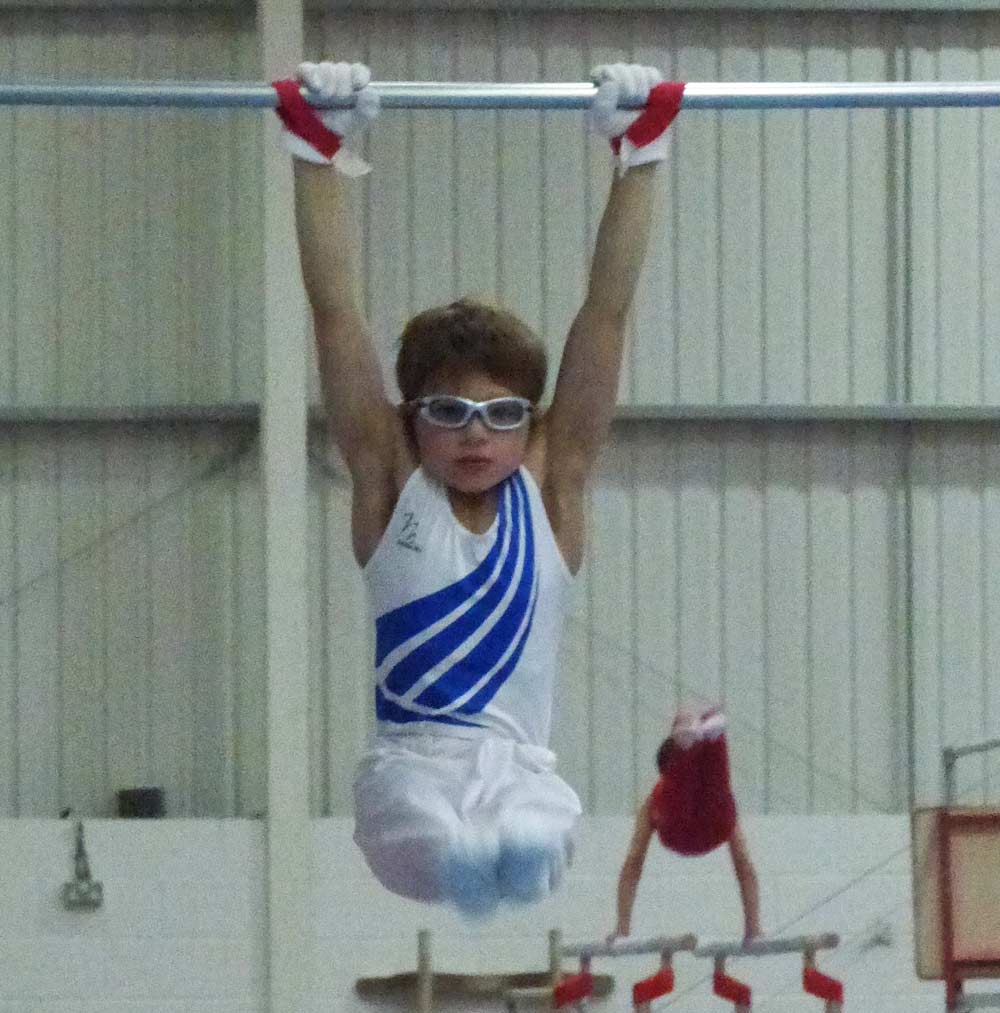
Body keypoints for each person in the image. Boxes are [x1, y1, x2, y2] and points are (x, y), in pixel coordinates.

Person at [274, 60, 684, 916]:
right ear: (409, 417)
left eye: (501, 415)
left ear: (535, 424)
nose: (473, 433)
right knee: (427, 826)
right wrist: (314, 150)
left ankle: (500, 857)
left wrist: (640, 156)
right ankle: (464, 860)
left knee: (539, 824)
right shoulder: (389, 484)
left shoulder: (553, 482)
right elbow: (335, 313)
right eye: (450, 411)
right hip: (409, 769)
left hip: (519, 769)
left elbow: (604, 314)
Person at [608, 706, 762, 943]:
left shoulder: (655, 799)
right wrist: (753, 928)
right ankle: (715, 741)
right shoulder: (661, 797)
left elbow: (633, 862)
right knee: (716, 787)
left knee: (692, 790)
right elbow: (743, 862)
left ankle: (693, 746)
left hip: (681, 829)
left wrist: (622, 928)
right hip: (712, 827)